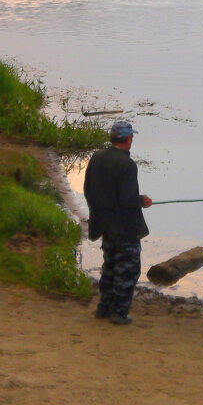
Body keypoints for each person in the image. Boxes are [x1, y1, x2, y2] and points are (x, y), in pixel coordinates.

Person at [83, 120, 152, 325]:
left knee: (110, 266)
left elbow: (88, 190)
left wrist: (99, 213)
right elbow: (127, 199)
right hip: (125, 227)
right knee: (128, 270)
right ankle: (119, 313)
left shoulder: (97, 157)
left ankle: (103, 308)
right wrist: (143, 201)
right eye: (132, 137)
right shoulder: (127, 164)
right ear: (128, 139)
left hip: (105, 225)